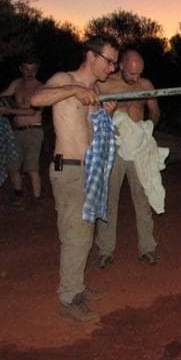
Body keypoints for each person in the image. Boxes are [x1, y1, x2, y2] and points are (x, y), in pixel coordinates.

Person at [31, 36, 119, 322]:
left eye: (114, 63)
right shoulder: (64, 79)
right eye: (109, 61)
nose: (112, 68)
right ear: (91, 55)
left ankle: (77, 286)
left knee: (84, 233)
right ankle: (68, 298)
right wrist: (74, 90)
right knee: (75, 236)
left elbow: (91, 133)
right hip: (68, 169)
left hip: (88, 170)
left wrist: (105, 115)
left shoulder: (95, 91)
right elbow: (36, 99)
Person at [94, 49, 161, 268]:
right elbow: (92, 114)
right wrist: (110, 124)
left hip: (139, 146)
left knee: (143, 196)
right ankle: (105, 250)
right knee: (109, 198)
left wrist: (147, 128)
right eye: (132, 73)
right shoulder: (104, 84)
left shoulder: (145, 85)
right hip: (115, 146)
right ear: (120, 66)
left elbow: (155, 112)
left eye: (139, 73)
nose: (136, 77)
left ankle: (148, 248)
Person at [0, 55, 44, 202]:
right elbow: (1, 96)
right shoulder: (17, 83)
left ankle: (37, 199)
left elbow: (32, 111)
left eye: (33, 69)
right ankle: (18, 196)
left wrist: (8, 110)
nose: (30, 72)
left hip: (34, 131)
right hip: (16, 130)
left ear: (37, 70)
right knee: (12, 165)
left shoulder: (41, 87)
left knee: (32, 167)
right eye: (27, 69)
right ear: (21, 69)